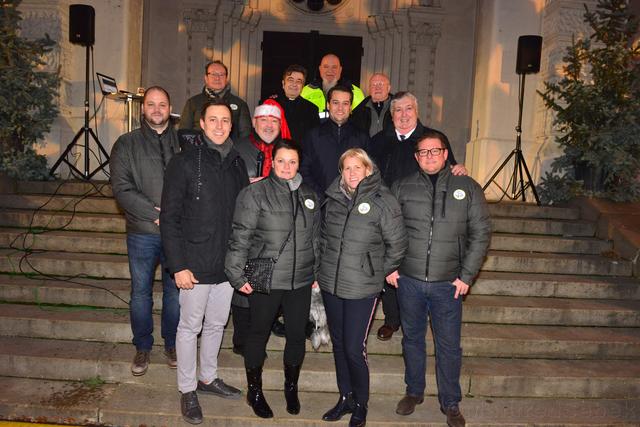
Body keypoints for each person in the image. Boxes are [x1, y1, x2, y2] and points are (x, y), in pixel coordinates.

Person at [389, 131, 491, 427]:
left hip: (449, 284)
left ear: (446, 154)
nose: (430, 156)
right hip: (408, 280)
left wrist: (467, 275)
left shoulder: (467, 186)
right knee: (412, 339)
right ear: (416, 157)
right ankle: (414, 391)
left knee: (448, 345)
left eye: (435, 151)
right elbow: (388, 230)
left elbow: (481, 233)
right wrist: (390, 266)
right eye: (423, 152)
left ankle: (451, 401)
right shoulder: (402, 187)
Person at [161, 99, 249, 425]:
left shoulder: (238, 163)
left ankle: (208, 378)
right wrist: (178, 264)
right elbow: (169, 218)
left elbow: (242, 218)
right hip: (194, 266)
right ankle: (187, 389)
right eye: (213, 119)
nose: (219, 125)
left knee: (216, 325)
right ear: (202, 123)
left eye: (225, 120)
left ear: (231, 125)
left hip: (226, 266)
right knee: (189, 327)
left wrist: (240, 263)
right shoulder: (184, 162)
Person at [225, 139, 320, 419]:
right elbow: (240, 236)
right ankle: (254, 391)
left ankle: (291, 386)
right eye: (281, 161)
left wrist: (315, 272)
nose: (287, 167)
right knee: (257, 334)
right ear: (272, 162)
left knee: (295, 337)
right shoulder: (254, 194)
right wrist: (235, 272)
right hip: (265, 278)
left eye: (292, 161)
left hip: (300, 279)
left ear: (298, 164)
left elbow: (316, 238)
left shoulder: (309, 194)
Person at [318, 148, 407, 427]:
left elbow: (398, 244)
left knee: (355, 348)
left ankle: (361, 403)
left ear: (369, 170)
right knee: (339, 345)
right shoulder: (333, 198)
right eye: (347, 168)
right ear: (341, 172)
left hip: (362, 288)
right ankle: (345, 397)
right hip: (332, 284)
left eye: (358, 167)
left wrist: (376, 272)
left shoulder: (383, 200)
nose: (352, 172)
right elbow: (323, 238)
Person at [369, 91, 468, 342]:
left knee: (413, 268)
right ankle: (392, 320)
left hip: (423, 217)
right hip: (388, 215)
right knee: (391, 266)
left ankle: (415, 317)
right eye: (398, 110)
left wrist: (458, 169)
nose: (403, 115)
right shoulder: (379, 141)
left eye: (408, 109)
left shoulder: (432, 139)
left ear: (417, 111)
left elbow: (449, 169)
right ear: (391, 116)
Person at [110, 86, 181, 376]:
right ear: (142, 109)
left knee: (176, 292)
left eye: (162, 104)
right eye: (150, 104)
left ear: (169, 108)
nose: (156, 109)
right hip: (142, 232)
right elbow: (121, 189)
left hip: (177, 233)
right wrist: (155, 214)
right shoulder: (126, 144)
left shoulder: (185, 142)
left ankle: (173, 344)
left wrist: (175, 217)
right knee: (140, 292)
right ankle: (142, 347)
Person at [231, 101, 292, 353]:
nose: (268, 125)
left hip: (273, 228)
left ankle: (263, 328)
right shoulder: (237, 148)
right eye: (264, 120)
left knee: (270, 281)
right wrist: (245, 184)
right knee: (244, 283)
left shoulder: (285, 150)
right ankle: (241, 339)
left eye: (274, 121)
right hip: (245, 224)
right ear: (255, 122)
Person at [300, 85, 369, 198]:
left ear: (351, 107)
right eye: (336, 103)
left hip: (351, 204)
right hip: (320, 203)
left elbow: (369, 172)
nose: (340, 108)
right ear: (328, 105)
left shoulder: (362, 137)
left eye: (345, 103)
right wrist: (321, 196)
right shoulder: (312, 136)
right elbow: (304, 169)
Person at [179, 60, 252, 141]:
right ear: (206, 78)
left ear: (226, 78)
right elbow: (183, 133)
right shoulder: (193, 103)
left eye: (221, 74)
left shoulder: (240, 104)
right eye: (213, 74)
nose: (217, 78)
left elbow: (246, 136)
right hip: (199, 151)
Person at [264, 64, 320, 141]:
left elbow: (314, 139)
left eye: (299, 81)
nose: (294, 84)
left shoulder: (312, 109)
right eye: (290, 80)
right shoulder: (271, 105)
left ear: (302, 86)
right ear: (283, 84)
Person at [301, 53, 365, 117]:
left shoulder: (356, 92)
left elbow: (360, 121)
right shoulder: (305, 91)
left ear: (340, 70)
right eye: (326, 67)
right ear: (320, 69)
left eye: (334, 67)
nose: (330, 71)